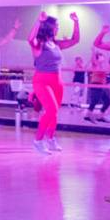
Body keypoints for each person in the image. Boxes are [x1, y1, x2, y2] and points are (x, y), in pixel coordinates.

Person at [27, 11, 80, 153]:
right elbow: (30, 39)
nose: (58, 28)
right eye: (56, 26)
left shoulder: (55, 44)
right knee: (51, 110)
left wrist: (76, 22)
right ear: (49, 27)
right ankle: (38, 141)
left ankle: (50, 138)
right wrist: (38, 21)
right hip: (42, 81)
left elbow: (75, 40)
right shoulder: (39, 44)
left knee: (54, 113)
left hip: (57, 81)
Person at [85, 52, 110, 122]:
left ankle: (100, 116)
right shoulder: (95, 65)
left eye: (102, 56)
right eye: (101, 56)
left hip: (101, 85)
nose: (103, 57)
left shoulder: (103, 66)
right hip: (95, 84)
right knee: (95, 101)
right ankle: (87, 115)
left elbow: (105, 77)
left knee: (107, 101)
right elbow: (93, 59)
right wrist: (93, 50)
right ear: (97, 58)